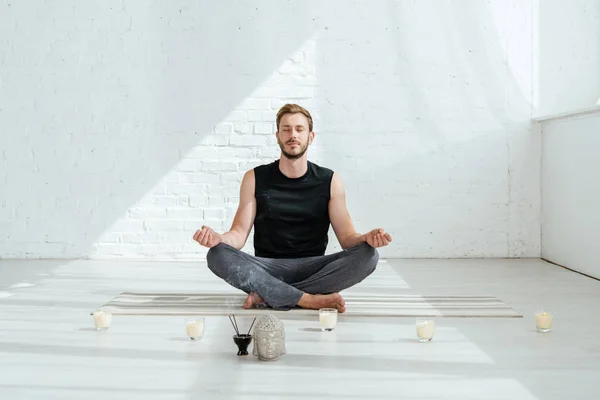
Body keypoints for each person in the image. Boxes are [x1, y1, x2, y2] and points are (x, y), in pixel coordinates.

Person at [193, 104, 392, 312]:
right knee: (217, 255)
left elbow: (347, 238)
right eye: (286, 129)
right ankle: (308, 299)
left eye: (299, 129)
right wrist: (219, 239)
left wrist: (366, 238)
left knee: (369, 255)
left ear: (311, 136)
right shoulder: (254, 178)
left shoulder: (330, 180)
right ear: (278, 136)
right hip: (267, 268)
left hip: (314, 268)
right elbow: (238, 234)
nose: (293, 135)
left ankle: (271, 295)